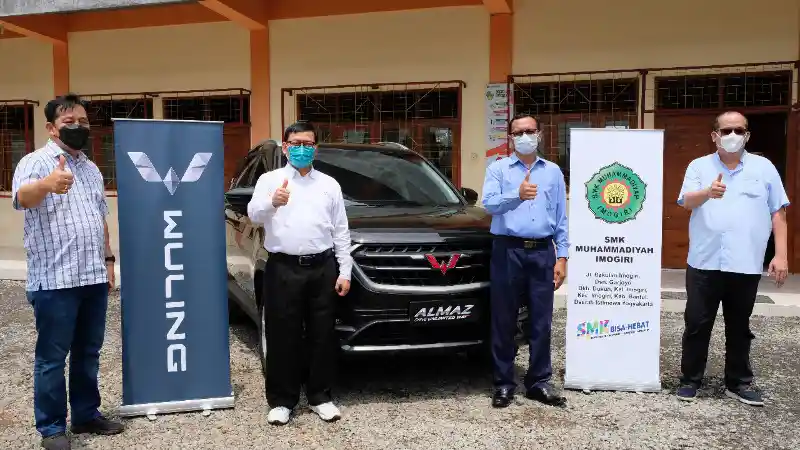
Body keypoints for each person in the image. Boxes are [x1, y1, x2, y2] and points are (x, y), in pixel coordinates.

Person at [12, 93, 124, 450]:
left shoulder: (91, 169)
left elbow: (99, 218)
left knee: (88, 352)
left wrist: (109, 261)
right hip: (54, 279)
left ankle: (86, 414)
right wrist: (47, 184)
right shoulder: (34, 162)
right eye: (69, 122)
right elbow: (22, 198)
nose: (78, 127)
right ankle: (51, 428)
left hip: (92, 276)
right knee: (51, 358)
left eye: (83, 121)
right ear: (51, 127)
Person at [675, 111, 789, 406]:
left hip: (745, 262)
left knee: (739, 327)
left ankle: (738, 383)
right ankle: (690, 380)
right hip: (704, 262)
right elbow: (686, 201)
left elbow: (778, 212)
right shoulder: (699, 166)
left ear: (747, 135)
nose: (733, 135)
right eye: (727, 130)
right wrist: (707, 192)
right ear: (715, 135)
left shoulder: (764, 168)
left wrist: (781, 254)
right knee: (697, 324)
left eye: (739, 130)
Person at [247, 121, 353, 425]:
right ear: (285, 147)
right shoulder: (270, 180)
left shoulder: (329, 184)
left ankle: (321, 397)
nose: (302, 149)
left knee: (322, 334)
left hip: (322, 268)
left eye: (308, 144)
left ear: (315, 148)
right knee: (282, 335)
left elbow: (341, 230)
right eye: (296, 144)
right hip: (283, 267)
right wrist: (272, 202)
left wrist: (344, 270)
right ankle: (282, 401)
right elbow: (253, 214)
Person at [481, 114, 569, 408]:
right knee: (504, 320)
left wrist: (562, 256)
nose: (524, 136)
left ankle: (539, 382)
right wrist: (516, 195)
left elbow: (561, 217)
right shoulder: (498, 169)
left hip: (542, 252)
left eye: (529, 131)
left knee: (541, 321)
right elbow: (489, 204)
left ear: (540, 134)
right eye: (518, 133)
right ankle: (504, 384)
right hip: (508, 250)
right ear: (510, 138)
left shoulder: (553, 172)